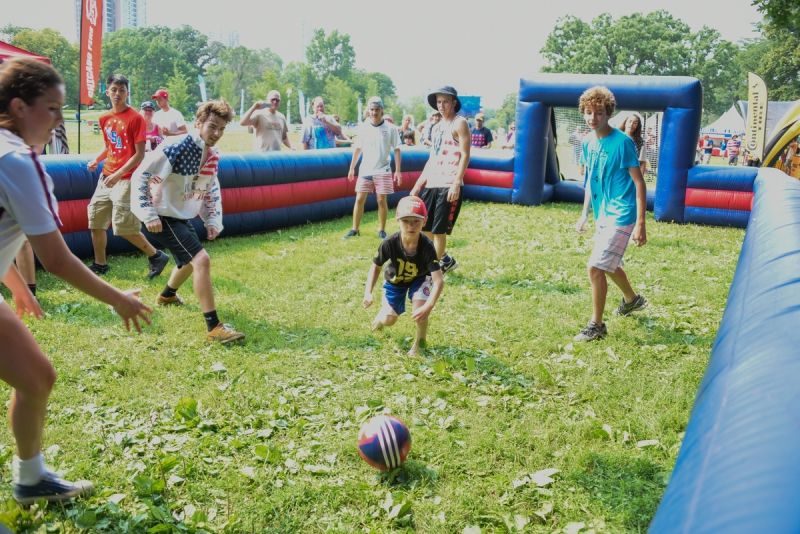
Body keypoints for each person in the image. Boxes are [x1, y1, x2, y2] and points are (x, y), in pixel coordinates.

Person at [0, 57, 152, 504]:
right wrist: (117, 299)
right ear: (20, 107)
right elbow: (57, 258)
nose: (58, 120)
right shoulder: (19, 161)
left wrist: (17, 285)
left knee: (36, 378)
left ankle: (31, 480)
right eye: (51, 108)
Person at [131, 99, 245, 344]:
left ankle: (167, 296)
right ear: (198, 122)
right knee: (201, 259)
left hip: (179, 216)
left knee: (189, 260)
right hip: (161, 216)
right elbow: (143, 175)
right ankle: (214, 327)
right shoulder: (178, 146)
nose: (216, 133)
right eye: (212, 126)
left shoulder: (212, 154)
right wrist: (148, 214)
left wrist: (213, 219)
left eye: (221, 129)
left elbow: (210, 187)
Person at [574, 86, 648, 342]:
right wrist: (585, 214)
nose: (592, 118)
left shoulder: (624, 142)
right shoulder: (587, 142)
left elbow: (639, 182)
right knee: (610, 264)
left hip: (623, 213)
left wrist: (641, 223)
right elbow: (590, 180)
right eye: (588, 112)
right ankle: (632, 300)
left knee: (595, 267)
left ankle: (596, 325)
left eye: (598, 113)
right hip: (603, 214)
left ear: (608, 114)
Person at [86, 74, 170, 278]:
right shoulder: (105, 118)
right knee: (95, 222)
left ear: (127, 93)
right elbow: (110, 146)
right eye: (114, 90)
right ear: (107, 91)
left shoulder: (135, 118)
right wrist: (97, 160)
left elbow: (139, 154)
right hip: (107, 176)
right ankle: (100, 265)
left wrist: (119, 174)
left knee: (123, 226)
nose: (117, 94)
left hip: (126, 177)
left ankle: (156, 255)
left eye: (121, 90)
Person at [363, 195, 444, 356]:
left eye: (416, 221)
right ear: (398, 220)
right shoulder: (389, 242)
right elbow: (376, 266)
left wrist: (429, 305)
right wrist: (368, 292)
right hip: (396, 281)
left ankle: (420, 344)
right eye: (406, 221)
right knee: (389, 320)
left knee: (420, 311)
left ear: (424, 221)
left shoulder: (427, 246)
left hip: (420, 278)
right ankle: (381, 318)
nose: (411, 226)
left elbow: (438, 280)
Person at [409, 86, 470, 273]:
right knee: (425, 228)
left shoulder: (460, 123)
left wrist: (456, 183)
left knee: (439, 230)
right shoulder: (435, 128)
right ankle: (444, 261)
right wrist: (418, 183)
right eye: (438, 102)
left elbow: (465, 154)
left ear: (453, 102)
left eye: (445, 101)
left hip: (448, 183)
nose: (441, 105)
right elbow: (432, 158)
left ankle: (431, 270)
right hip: (432, 182)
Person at [345, 96, 402, 240]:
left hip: (383, 169)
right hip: (365, 169)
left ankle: (382, 230)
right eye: (372, 109)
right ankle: (355, 229)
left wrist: (398, 171)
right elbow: (358, 149)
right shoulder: (363, 127)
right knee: (359, 198)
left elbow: (397, 149)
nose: (374, 112)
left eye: (377, 109)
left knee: (381, 200)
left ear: (382, 110)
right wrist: (352, 168)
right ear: (368, 111)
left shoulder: (390, 128)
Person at [620, 113, 647, 177]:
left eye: (635, 123)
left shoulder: (640, 142)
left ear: (637, 126)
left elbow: (642, 162)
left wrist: (640, 180)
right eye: (630, 121)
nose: (631, 124)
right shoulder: (616, 137)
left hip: (631, 176)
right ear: (625, 122)